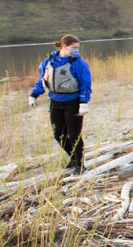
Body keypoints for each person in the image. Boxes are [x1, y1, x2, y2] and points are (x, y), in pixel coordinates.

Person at [29, 35, 92, 173]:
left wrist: (84, 101)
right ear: (63, 46)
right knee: (58, 134)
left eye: (78, 48)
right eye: (73, 48)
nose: (76, 50)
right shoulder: (48, 62)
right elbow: (43, 80)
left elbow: (85, 83)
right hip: (55, 102)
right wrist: (34, 94)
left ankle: (80, 166)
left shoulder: (79, 63)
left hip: (73, 102)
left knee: (74, 134)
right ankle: (72, 158)